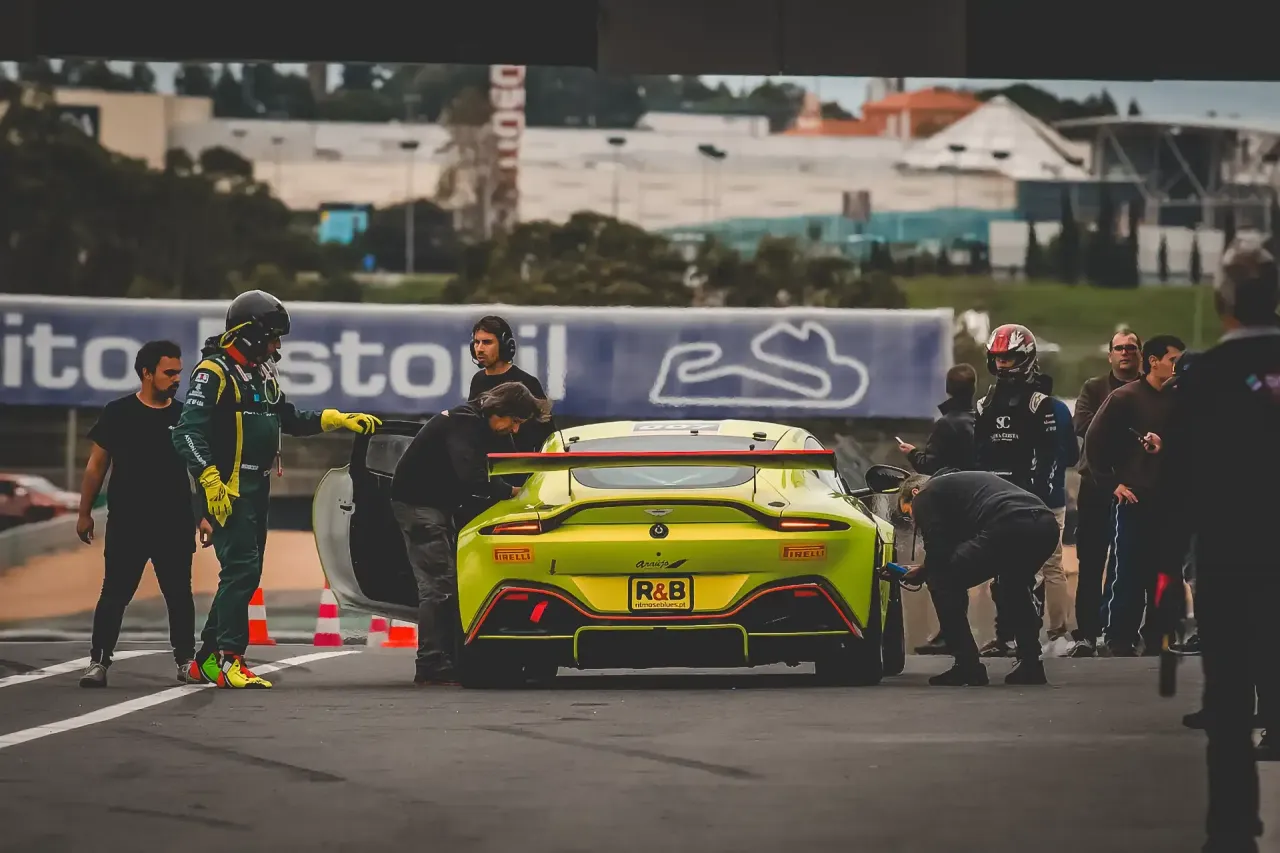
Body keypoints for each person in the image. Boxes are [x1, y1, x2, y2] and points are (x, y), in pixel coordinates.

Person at [172, 290, 382, 689]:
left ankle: (206, 660)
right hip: (228, 489)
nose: (277, 347)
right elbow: (186, 433)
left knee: (245, 575)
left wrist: (335, 419)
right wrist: (210, 480)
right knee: (241, 570)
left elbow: (289, 417)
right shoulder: (213, 372)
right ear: (251, 334)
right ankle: (231, 659)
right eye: (272, 338)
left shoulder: (261, 372)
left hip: (258, 487)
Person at [1159, 238, 1280, 852]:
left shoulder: (1205, 376)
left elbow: (1178, 480)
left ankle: (1233, 828)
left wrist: (1166, 571)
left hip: (1230, 555)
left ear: (1222, 302)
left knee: (1228, 696)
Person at [389, 381, 553, 686]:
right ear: (500, 410)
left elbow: (508, 463)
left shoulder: (482, 424)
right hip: (420, 505)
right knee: (439, 585)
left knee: (448, 583)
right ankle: (431, 664)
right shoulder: (464, 424)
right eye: (515, 421)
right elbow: (472, 476)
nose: (515, 429)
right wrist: (511, 492)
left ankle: (447, 658)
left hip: (436, 503)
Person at [75, 341, 213, 688]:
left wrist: (205, 515)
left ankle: (185, 662)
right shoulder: (118, 412)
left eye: (179, 372)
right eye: (169, 372)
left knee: (179, 595)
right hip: (128, 522)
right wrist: (84, 512)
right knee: (114, 593)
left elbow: (200, 469)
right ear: (147, 373)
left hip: (174, 522)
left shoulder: (185, 415)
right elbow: (96, 466)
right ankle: (98, 662)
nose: (177, 379)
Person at [894, 470, 1060, 686]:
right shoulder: (956, 492)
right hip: (1045, 524)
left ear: (914, 493)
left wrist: (924, 573)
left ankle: (967, 666)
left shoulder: (925, 495)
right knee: (1014, 585)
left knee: (942, 581)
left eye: (908, 512)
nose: (912, 519)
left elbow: (938, 552)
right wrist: (926, 567)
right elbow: (950, 548)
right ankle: (1031, 664)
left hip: (1007, 523)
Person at [1084, 333, 1185, 657]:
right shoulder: (1124, 398)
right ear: (1153, 361)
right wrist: (1110, 483)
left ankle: (1159, 637)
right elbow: (1093, 440)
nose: (1178, 366)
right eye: (1173, 360)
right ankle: (1119, 637)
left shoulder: (1181, 399)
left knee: (1166, 571)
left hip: (1170, 499)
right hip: (1134, 498)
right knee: (1128, 570)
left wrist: (1166, 445)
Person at [972, 323, 1059, 658]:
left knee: (1027, 573)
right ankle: (1004, 636)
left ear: (1024, 358)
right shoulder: (984, 404)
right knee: (998, 572)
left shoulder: (1040, 403)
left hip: (1027, 497)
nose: (1002, 364)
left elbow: (1050, 455)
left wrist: (1041, 495)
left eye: (1007, 358)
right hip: (993, 496)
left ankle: (1028, 640)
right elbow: (978, 454)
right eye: (997, 359)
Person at [1068, 329, 1142, 657]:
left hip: (1135, 486)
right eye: (1120, 348)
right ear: (1110, 354)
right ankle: (1087, 633)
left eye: (1131, 348)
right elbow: (1082, 426)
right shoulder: (1094, 388)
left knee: (1129, 563)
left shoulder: (1148, 389)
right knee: (1091, 561)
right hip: (1096, 485)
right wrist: (1128, 432)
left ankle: (1120, 634)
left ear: (1140, 355)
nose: (1125, 352)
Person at [897, 363, 977, 655]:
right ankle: (960, 633)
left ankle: (952, 635)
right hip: (975, 499)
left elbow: (930, 465)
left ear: (948, 389)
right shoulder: (981, 420)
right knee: (961, 568)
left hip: (950, 501)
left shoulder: (947, 424)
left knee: (941, 569)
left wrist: (912, 453)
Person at [467, 315, 557, 479]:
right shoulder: (477, 381)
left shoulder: (527, 383)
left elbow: (548, 437)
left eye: (487, 342)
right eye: (476, 342)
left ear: (504, 345)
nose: (479, 348)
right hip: (489, 474)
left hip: (520, 474)